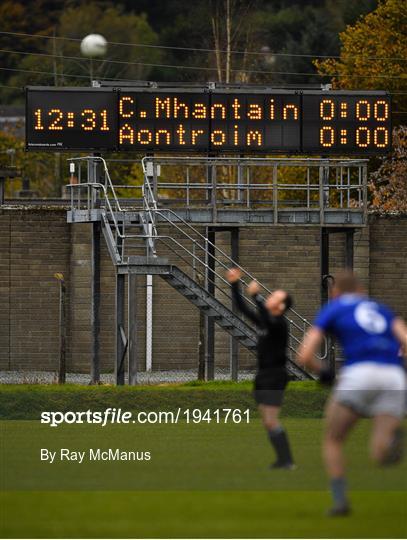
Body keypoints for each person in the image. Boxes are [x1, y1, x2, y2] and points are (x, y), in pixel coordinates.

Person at [297, 270, 407, 516]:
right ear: (361, 291)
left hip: (359, 374)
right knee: (379, 454)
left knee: (333, 440)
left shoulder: (334, 308)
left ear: (335, 292)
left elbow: (304, 355)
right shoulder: (381, 309)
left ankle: (340, 503)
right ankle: (390, 439)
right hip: (394, 377)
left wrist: (324, 372)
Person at [226, 267, 295, 469]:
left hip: (275, 376)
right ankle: (283, 460)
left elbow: (265, 317)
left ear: (281, 307)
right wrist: (234, 284)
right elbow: (243, 309)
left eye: (275, 297)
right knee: (268, 422)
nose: (270, 297)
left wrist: (256, 296)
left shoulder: (279, 324)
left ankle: (287, 461)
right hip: (263, 375)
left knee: (272, 421)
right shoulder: (267, 321)